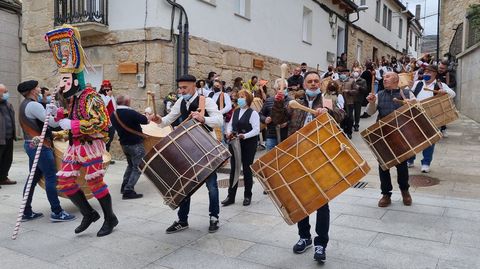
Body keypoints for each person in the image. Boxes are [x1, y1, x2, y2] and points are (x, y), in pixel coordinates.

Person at [154, 74, 223, 234]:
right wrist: (157, 119)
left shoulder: (206, 100)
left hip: (206, 149)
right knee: (184, 186)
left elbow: (219, 120)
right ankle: (182, 220)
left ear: (194, 87)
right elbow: (167, 120)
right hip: (187, 150)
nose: (181, 90)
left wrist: (203, 118)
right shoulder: (180, 102)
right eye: (180, 87)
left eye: (184, 87)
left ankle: (214, 217)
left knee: (212, 186)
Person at [290, 71, 345, 263]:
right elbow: (279, 119)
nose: (313, 84)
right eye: (309, 81)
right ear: (304, 84)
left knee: (322, 201)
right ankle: (304, 237)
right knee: (301, 200)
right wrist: (279, 104)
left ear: (320, 84)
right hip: (297, 155)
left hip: (321, 156)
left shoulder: (328, 100)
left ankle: (321, 242)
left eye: (316, 81)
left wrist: (328, 112)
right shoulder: (296, 102)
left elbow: (341, 116)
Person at [17, 80, 76, 222]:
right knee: (51, 177)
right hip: (40, 146)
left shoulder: (25, 104)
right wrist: (60, 113)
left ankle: (26, 211)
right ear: (32, 91)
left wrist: (53, 110)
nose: (39, 89)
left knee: (33, 178)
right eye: (37, 87)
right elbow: (52, 123)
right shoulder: (33, 105)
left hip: (31, 144)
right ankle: (57, 212)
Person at [366, 72, 415, 208]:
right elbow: (370, 112)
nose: (384, 79)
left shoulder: (406, 93)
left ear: (396, 80)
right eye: (384, 77)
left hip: (401, 133)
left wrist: (411, 103)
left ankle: (405, 191)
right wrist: (371, 103)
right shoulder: (379, 94)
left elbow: (416, 108)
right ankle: (386, 194)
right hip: (383, 134)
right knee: (383, 165)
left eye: (387, 77)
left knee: (402, 165)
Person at [407, 65, 456, 173]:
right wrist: (409, 90)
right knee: (412, 139)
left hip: (432, 116)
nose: (426, 73)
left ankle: (426, 163)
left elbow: (453, 94)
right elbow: (406, 94)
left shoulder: (440, 85)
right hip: (416, 114)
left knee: (429, 140)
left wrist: (445, 92)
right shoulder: (417, 83)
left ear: (435, 73)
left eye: (429, 71)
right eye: (425, 71)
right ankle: (410, 160)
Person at [110, 94, 155, 199]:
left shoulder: (113, 114)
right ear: (126, 102)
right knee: (138, 167)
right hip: (135, 144)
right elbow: (146, 121)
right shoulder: (131, 113)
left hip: (124, 144)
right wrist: (148, 114)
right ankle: (128, 190)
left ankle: (124, 186)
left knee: (130, 165)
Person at [221, 90, 260, 207]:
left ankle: (247, 195)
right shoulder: (236, 111)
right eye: (239, 97)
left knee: (247, 170)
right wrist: (228, 132)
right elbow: (230, 124)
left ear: (247, 99)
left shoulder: (253, 113)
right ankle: (230, 196)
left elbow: (256, 129)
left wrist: (245, 135)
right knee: (234, 169)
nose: (239, 99)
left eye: (242, 97)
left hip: (248, 144)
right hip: (235, 143)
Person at [260, 78, 290, 151]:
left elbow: (295, 118)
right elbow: (260, 114)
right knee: (271, 159)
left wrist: (287, 123)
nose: (282, 90)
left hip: (286, 136)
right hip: (271, 135)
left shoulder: (291, 101)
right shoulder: (269, 100)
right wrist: (265, 119)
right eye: (279, 88)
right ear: (275, 89)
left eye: (284, 88)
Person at [0, 84, 17, 187]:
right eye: (4, 92)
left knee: (7, 159)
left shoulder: (8, 104)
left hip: (9, 137)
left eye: (6, 91)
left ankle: (3, 178)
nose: (6, 94)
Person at [437, 60, 457, 137]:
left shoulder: (449, 74)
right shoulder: (434, 71)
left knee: (443, 111)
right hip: (434, 92)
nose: (441, 69)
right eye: (440, 67)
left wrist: (445, 87)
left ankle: (443, 129)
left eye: (443, 68)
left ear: (446, 68)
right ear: (438, 64)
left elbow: (453, 83)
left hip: (444, 93)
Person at [99, 80, 116, 164]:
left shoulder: (111, 97)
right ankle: (101, 158)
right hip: (104, 122)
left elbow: (114, 107)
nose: (107, 90)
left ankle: (107, 157)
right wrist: (108, 96)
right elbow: (102, 106)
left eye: (108, 88)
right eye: (105, 88)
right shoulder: (100, 96)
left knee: (110, 140)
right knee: (103, 141)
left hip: (112, 122)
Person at [337, 68, 357, 139]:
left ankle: (349, 132)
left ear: (348, 73)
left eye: (345, 73)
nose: (343, 74)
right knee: (341, 118)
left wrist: (348, 91)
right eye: (342, 73)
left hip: (349, 102)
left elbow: (356, 91)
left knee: (349, 118)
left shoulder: (352, 81)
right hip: (339, 103)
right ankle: (342, 131)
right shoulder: (337, 81)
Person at [352, 67, 367, 131]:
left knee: (357, 113)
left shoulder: (363, 81)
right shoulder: (350, 79)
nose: (356, 72)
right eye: (355, 71)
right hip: (351, 99)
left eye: (357, 71)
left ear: (360, 72)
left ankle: (356, 125)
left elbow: (365, 90)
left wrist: (359, 87)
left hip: (358, 99)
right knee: (349, 113)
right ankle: (350, 124)